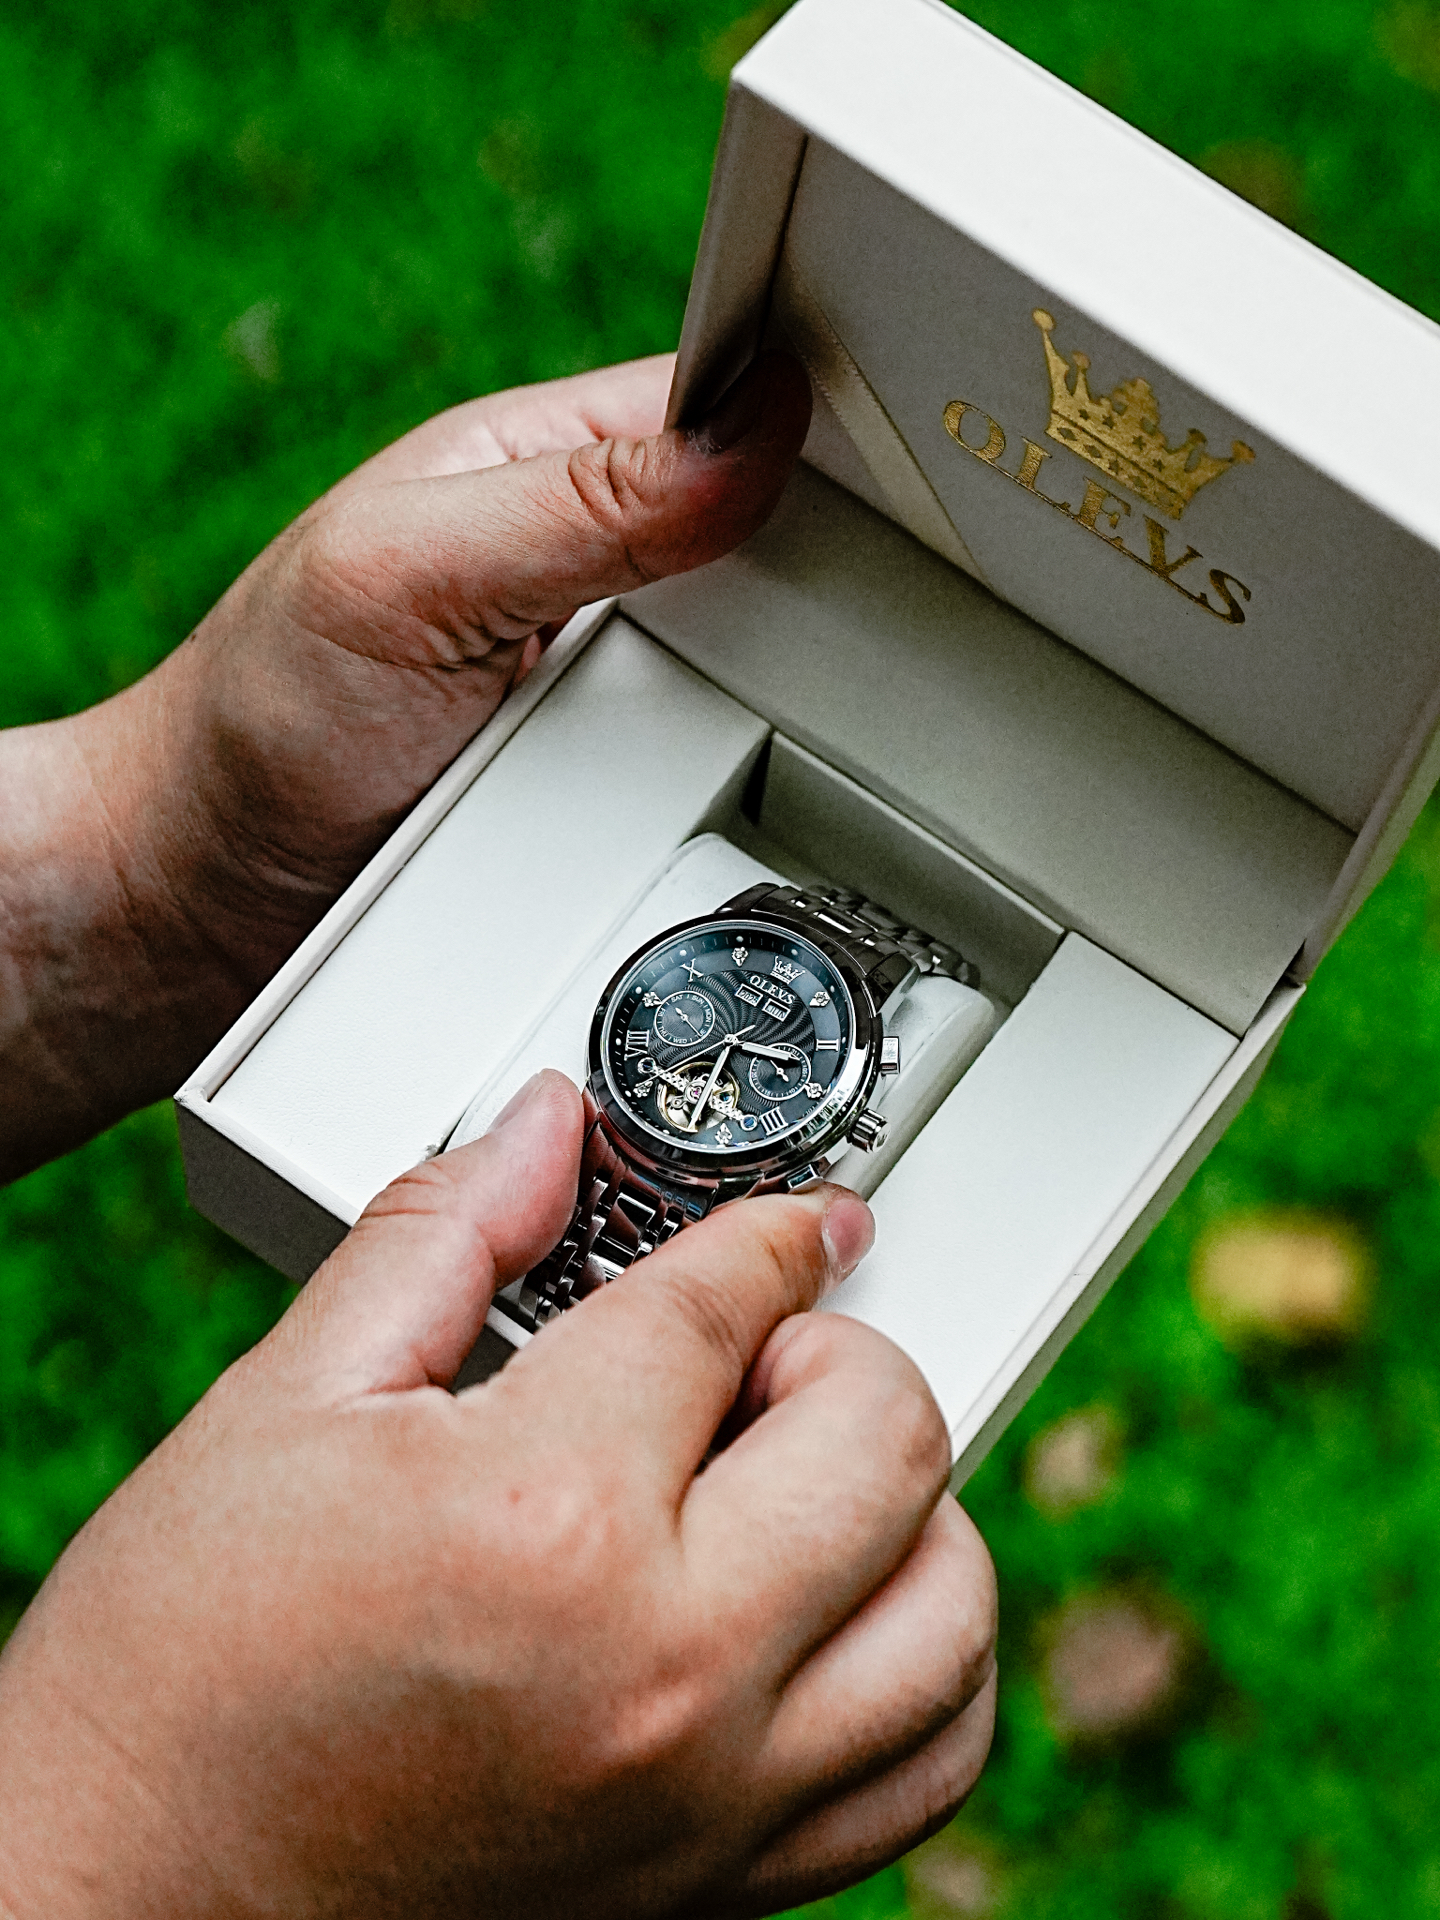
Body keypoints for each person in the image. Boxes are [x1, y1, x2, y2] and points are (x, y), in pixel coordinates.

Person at [0, 348, 997, 1918]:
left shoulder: (808, 1027)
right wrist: (171, 1838)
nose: (734, 1054)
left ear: (847, 1110)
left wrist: (148, 862)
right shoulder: (738, 1030)